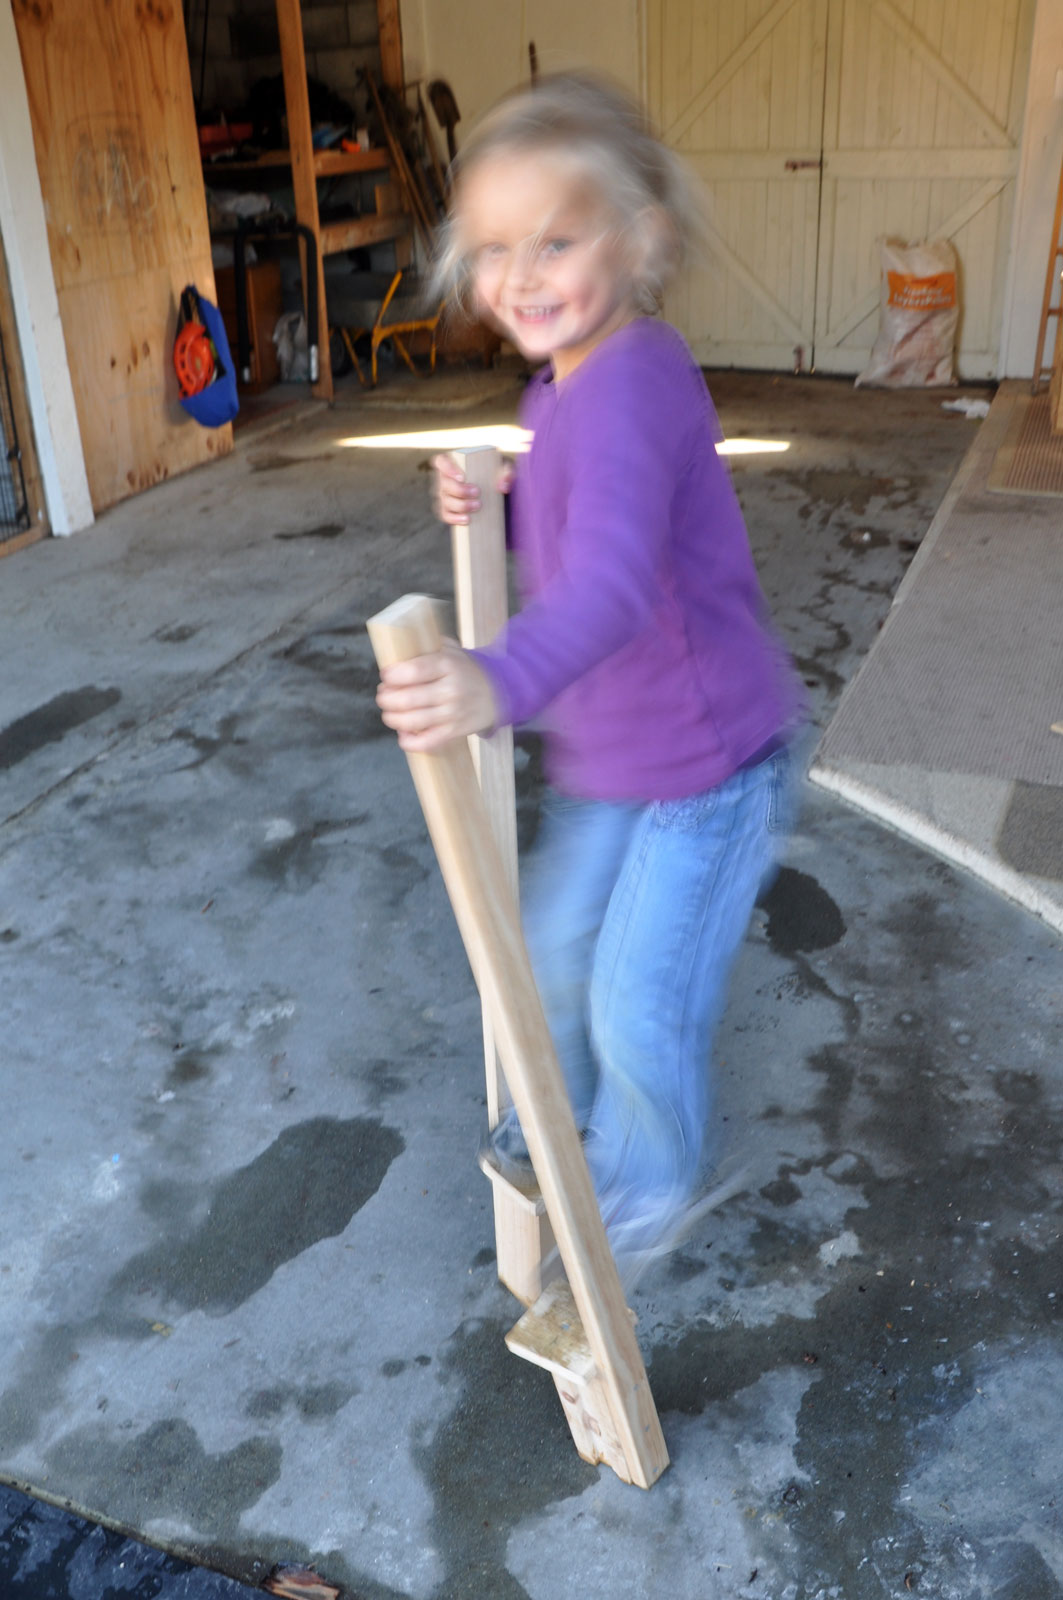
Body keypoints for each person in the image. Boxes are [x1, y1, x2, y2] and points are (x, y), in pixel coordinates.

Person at [376, 73, 803, 1278]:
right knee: (554, 949)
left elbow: (611, 584)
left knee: (632, 1002)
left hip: (707, 766)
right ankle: (571, 1127)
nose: (519, 274)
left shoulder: (635, 377)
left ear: (640, 240)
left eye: (555, 241)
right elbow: (583, 518)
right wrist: (503, 499)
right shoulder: (559, 383)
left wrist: (495, 679)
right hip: (616, 754)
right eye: (493, 248)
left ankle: (641, 1183)